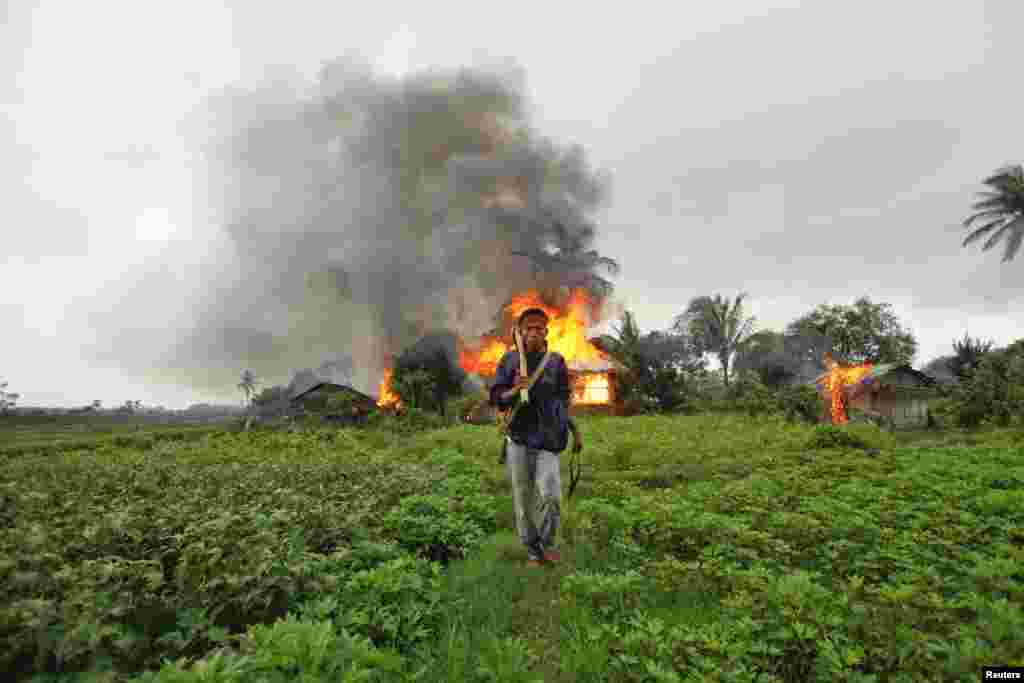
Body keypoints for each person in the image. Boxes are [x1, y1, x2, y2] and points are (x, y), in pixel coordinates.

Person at [490, 307, 577, 567]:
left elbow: (564, 396)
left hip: (548, 441)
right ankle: (532, 550)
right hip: (518, 439)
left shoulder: (555, 362)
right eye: (529, 328)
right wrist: (515, 389)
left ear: (546, 331)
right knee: (523, 499)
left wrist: (564, 424)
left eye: (539, 328)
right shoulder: (509, 361)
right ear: (521, 332)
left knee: (551, 495)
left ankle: (548, 544)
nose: (534, 332)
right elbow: (496, 397)